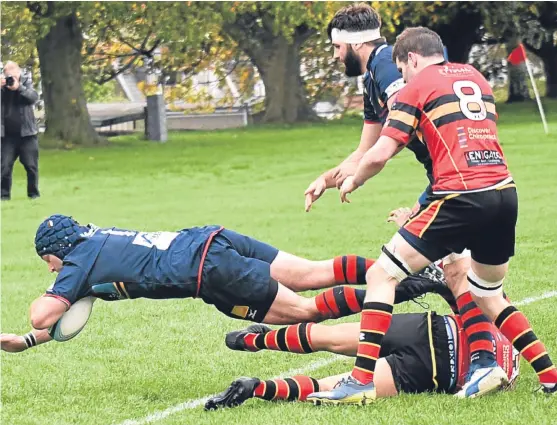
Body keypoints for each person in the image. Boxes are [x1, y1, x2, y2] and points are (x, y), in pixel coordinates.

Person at [307, 27, 557, 405]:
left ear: (411, 59)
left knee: (382, 274)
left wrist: (352, 181)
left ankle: (360, 380)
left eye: (403, 70)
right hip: (504, 193)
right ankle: (550, 376)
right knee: (486, 293)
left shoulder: (416, 85)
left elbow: (379, 152)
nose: (403, 79)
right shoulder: (474, 76)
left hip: (460, 196)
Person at [0, 213, 447, 352]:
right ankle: (413, 267)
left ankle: (411, 287)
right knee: (313, 271)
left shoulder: (77, 262)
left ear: (58, 251)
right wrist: (28, 341)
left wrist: (39, 320)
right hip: (208, 239)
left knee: (306, 312)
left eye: (49, 261)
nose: (51, 270)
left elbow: (44, 312)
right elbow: (55, 319)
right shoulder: (93, 241)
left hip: (209, 273)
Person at [206, 290, 520, 409]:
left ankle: (253, 340)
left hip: (425, 329)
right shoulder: (509, 368)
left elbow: (467, 298)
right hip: (433, 371)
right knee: (333, 387)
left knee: (329, 337)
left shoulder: (500, 310)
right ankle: (257, 388)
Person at [1, 60, 40, 200]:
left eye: (13, 74)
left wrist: (19, 87)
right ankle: (4, 196)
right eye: (8, 74)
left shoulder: (26, 83)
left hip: (27, 134)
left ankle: (33, 194)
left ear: (18, 73)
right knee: (4, 167)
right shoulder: (2, 87)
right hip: (7, 136)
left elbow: (34, 98)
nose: (11, 78)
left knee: (31, 166)